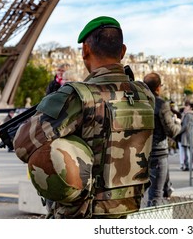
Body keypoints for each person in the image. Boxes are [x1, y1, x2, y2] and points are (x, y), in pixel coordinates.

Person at [13, 16, 155, 219]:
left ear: (85, 50)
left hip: (82, 214)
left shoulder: (78, 96)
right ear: (123, 51)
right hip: (127, 209)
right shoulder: (145, 94)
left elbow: (22, 145)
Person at [143, 72, 181, 206]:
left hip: (140, 152)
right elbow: (171, 130)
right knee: (155, 195)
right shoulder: (160, 104)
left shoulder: (138, 102)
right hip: (157, 152)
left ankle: (168, 188)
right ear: (158, 87)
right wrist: (178, 124)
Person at [179, 102, 193, 171]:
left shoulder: (187, 115)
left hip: (186, 134)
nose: (185, 107)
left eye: (187, 106)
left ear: (191, 107)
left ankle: (186, 166)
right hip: (191, 134)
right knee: (192, 150)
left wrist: (179, 131)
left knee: (186, 151)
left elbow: (185, 126)